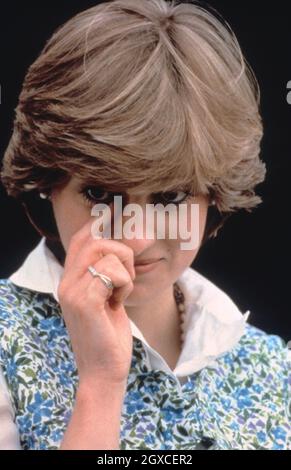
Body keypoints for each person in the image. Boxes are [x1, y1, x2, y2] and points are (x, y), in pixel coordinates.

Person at [0, 0, 290, 450]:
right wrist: (99, 384)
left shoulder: (276, 371)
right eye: (99, 194)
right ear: (46, 181)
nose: (135, 237)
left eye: (171, 196)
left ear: (214, 194)